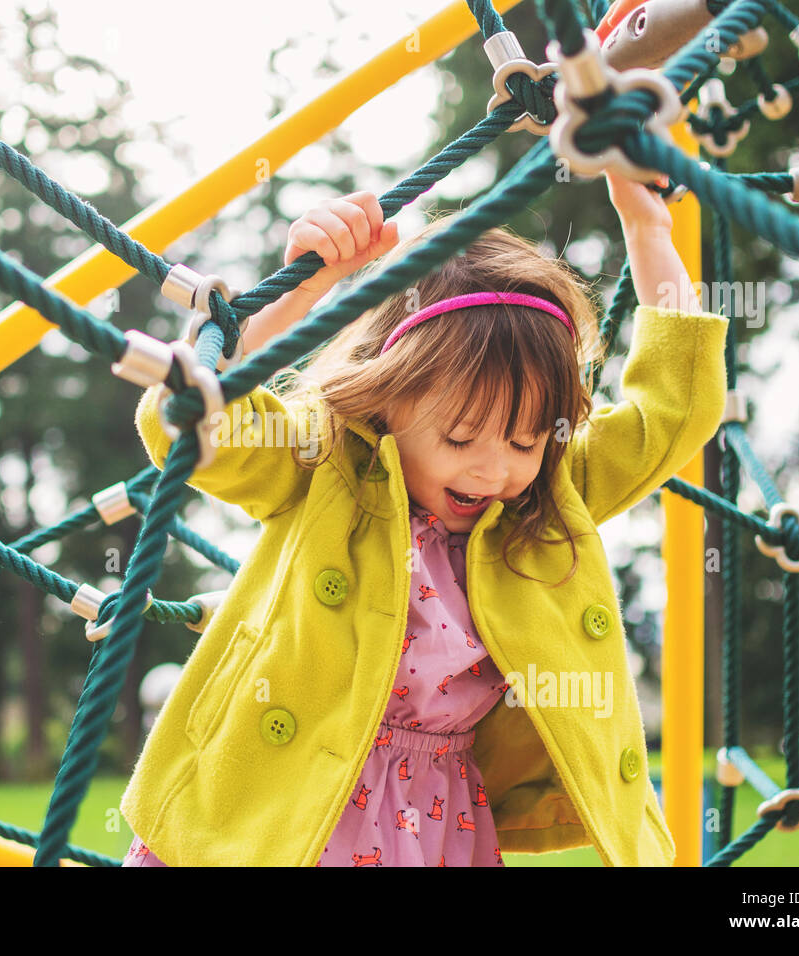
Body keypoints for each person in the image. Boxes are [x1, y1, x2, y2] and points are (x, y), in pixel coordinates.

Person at [119, 165, 728, 867]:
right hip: (277, 801)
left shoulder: (547, 503)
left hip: (435, 821)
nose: (494, 470)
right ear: (389, 398)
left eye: (526, 440)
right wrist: (297, 298)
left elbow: (673, 410)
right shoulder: (328, 467)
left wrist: (649, 228)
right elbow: (196, 424)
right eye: (460, 438)